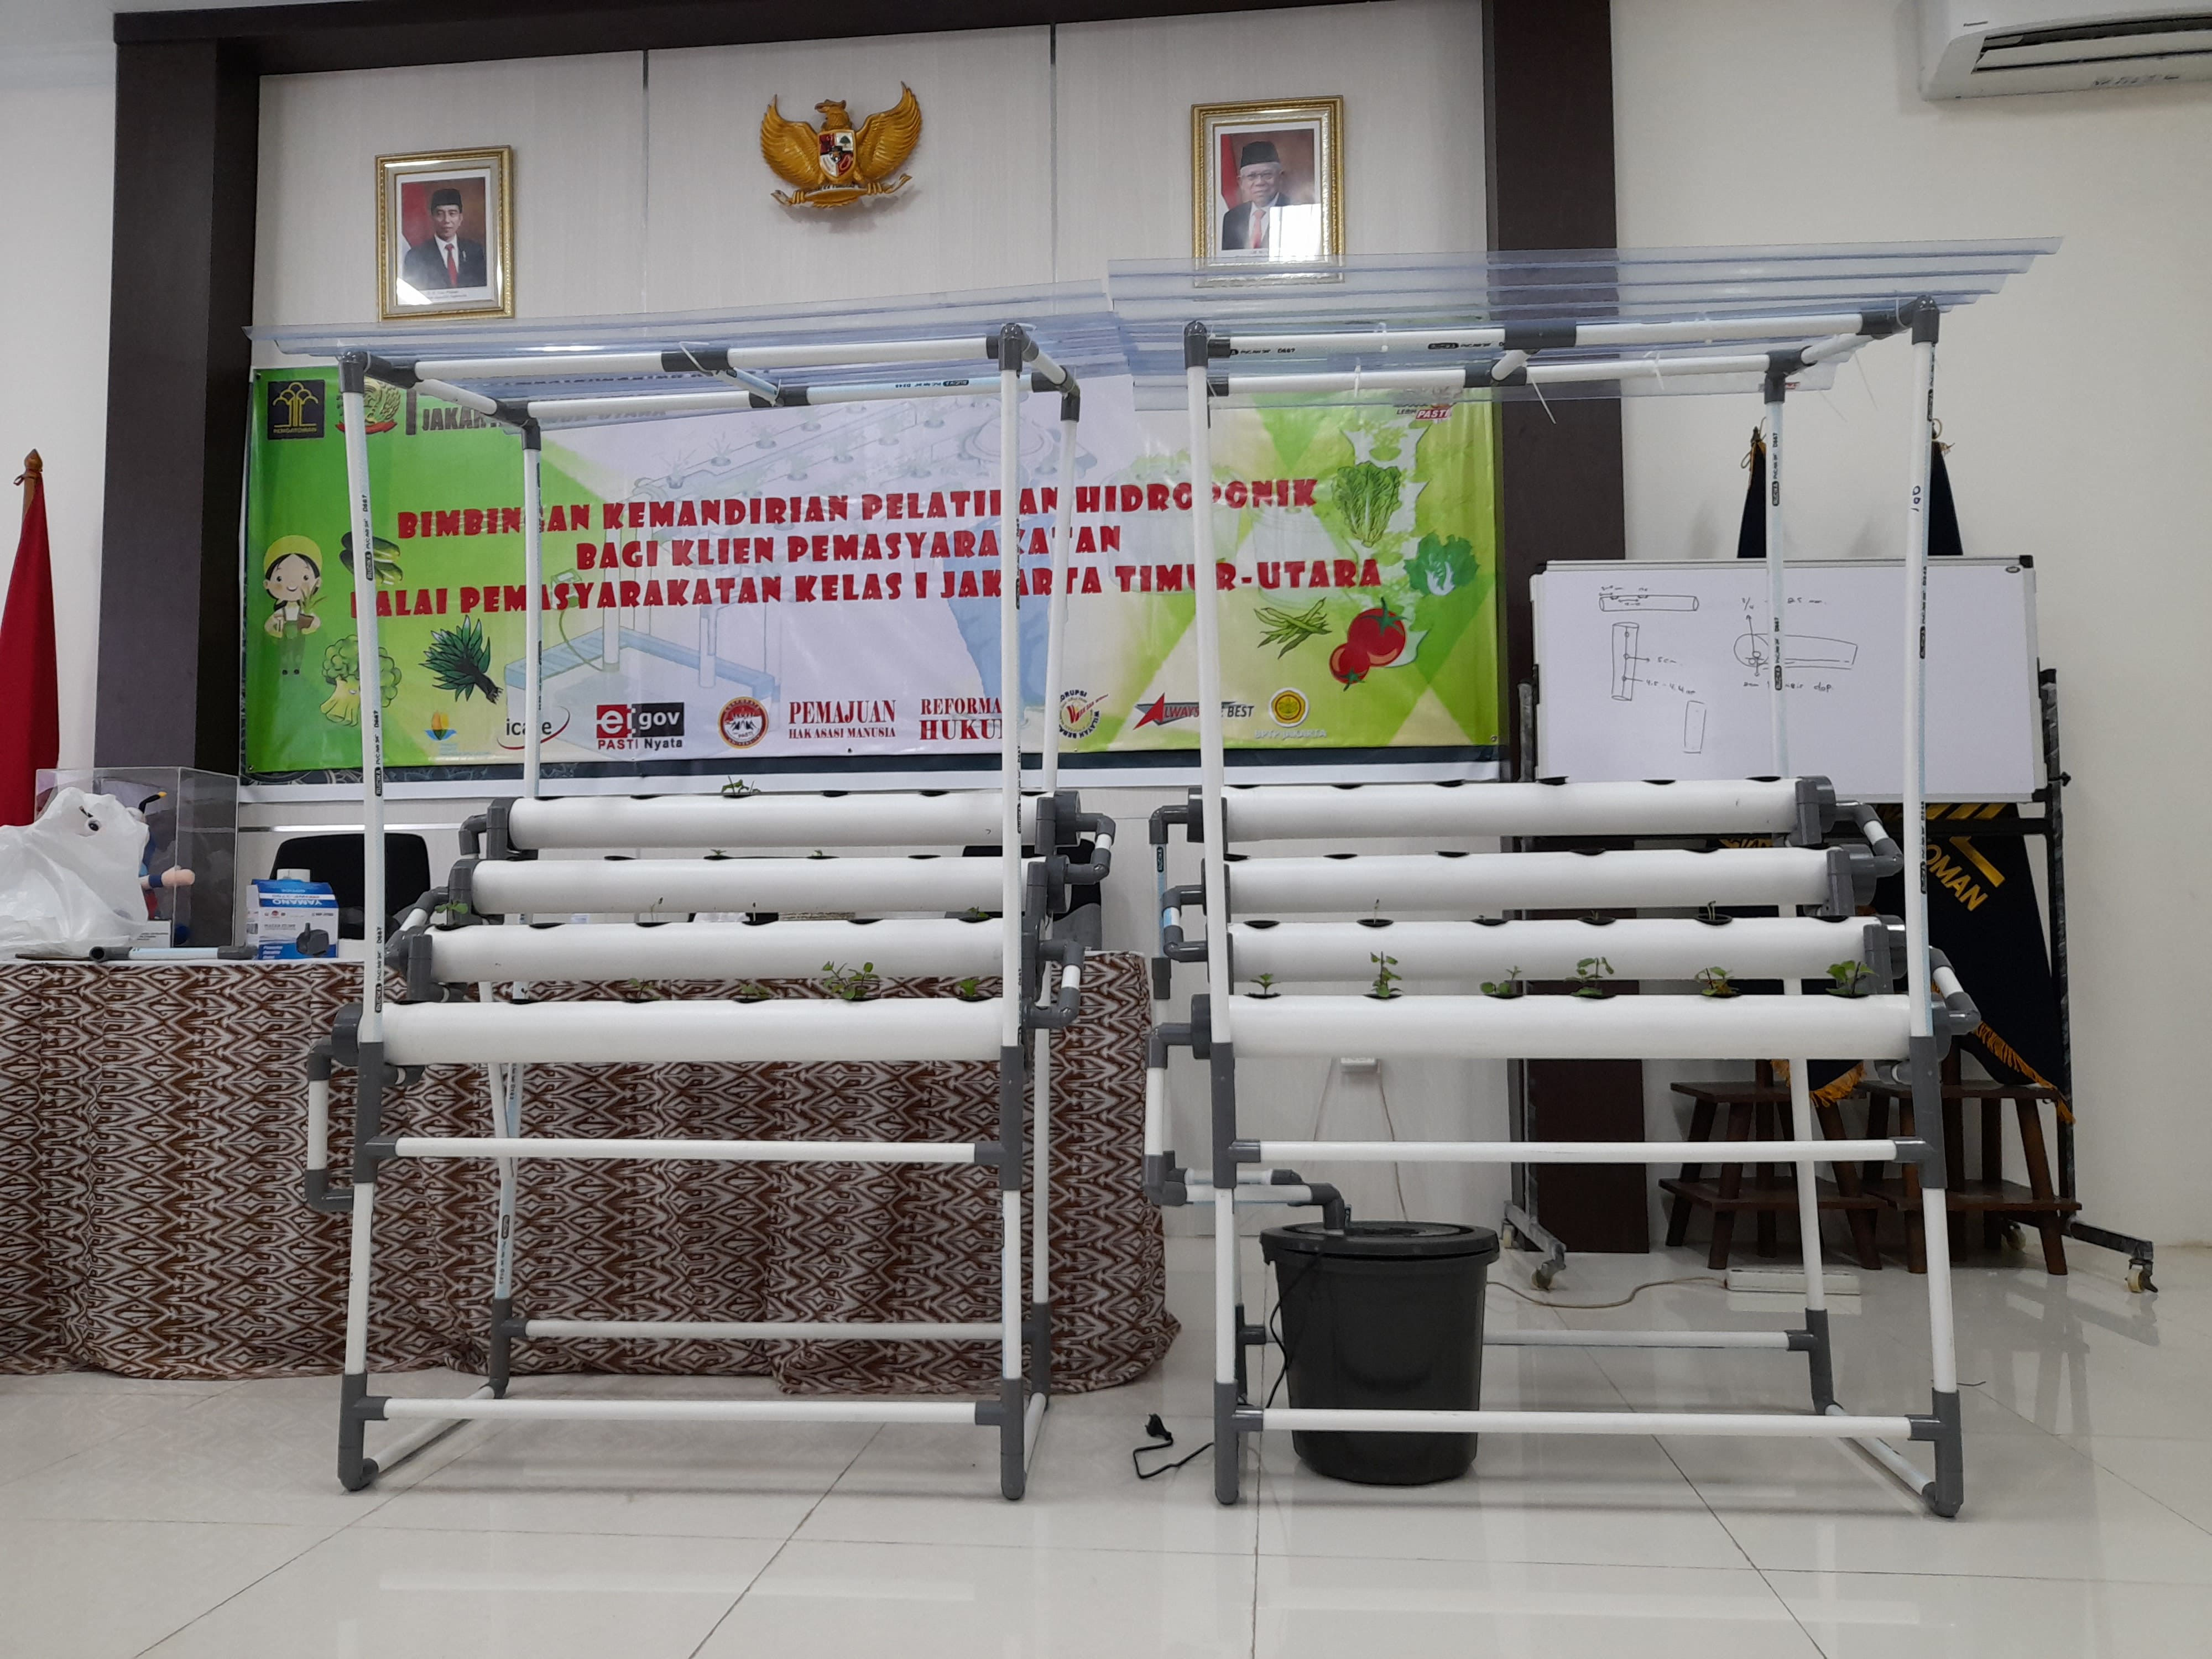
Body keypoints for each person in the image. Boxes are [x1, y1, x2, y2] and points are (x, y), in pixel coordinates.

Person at [400, 186, 487, 293]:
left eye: (452, 214)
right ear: (432, 218)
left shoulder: (475, 251)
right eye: (440, 214)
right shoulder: (416, 256)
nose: (446, 220)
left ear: (460, 218)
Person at [1220, 140, 1300, 252]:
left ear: (1280, 178)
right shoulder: (1231, 218)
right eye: (1252, 176)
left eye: (1267, 175)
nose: (1260, 182)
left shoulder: (1297, 213)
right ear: (1241, 183)